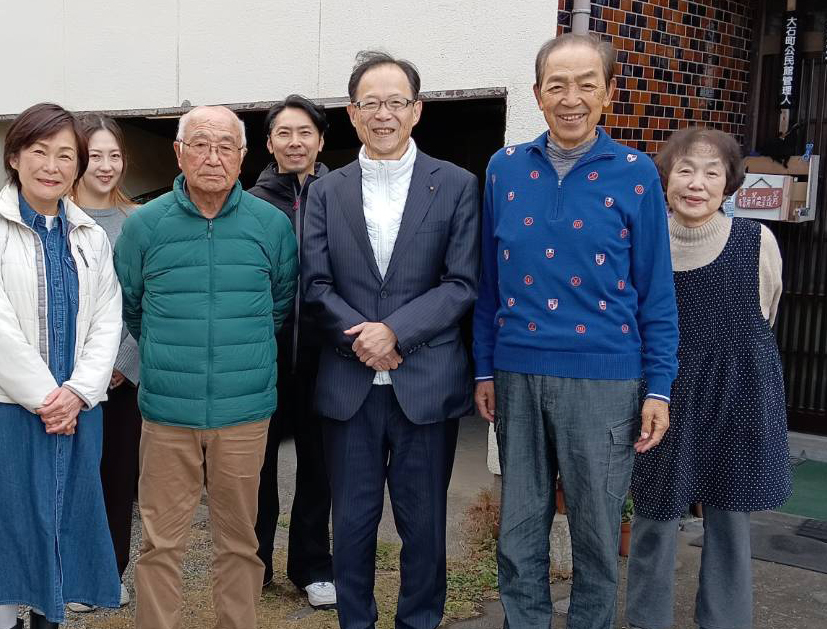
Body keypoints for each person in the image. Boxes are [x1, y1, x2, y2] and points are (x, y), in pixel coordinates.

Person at [472, 33, 679, 629]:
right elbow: (490, 281)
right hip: (516, 374)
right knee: (519, 528)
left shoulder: (636, 173)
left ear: (609, 94)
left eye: (587, 84)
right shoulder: (504, 168)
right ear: (537, 95)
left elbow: (655, 294)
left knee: (595, 532)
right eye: (556, 85)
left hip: (606, 379)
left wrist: (659, 388)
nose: (571, 97)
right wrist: (484, 367)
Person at [301, 51, 480, 629]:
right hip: (348, 384)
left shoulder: (455, 184)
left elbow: (461, 282)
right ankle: (355, 620)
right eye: (370, 103)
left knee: (423, 524)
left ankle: (419, 621)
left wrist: (395, 331)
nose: (384, 114)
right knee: (350, 523)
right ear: (353, 114)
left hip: (425, 382)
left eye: (395, 102)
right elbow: (317, 283)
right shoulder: (327, 192)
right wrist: (366, 340)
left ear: (417, 110)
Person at [0, 103, 123, 629]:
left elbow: (108, 318)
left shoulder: (89, 236)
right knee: (2, 518)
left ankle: (50, 617)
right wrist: (47, 397)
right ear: (14, 156)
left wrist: (79, 392)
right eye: (39, 151)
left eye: (66, 155)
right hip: (3, 404)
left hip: (77, 406)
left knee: (62, 515)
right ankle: (4, 623)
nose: (52, 165)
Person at [113, 105, 297, 629]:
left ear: (243, 156)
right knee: (160, 540)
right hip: (168, 413)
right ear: (179, 152)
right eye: (199, 144)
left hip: (244, 412)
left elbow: (279, 305)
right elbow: (133, 307)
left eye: (224, 146)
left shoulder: (272, 225)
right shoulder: (145, 226)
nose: (211, 157)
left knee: (240, 541)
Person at [626, 127, 791, 629]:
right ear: (666, 179)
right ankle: (645, 619)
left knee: (730, 518)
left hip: (739, 392)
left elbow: (767, 311)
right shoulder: (643, 242)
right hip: (663, 396)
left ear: (729, 184)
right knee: (654, 516)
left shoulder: (756, 241)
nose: (696, 184)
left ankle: (725, 620)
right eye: (685, 170)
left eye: (711, 173)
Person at [246, 94, 335, 608]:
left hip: (325, 359)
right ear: (269, 143)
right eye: (284, 133)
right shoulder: (251, 203)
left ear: (320, 140)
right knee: (256, 468)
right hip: (265, 359)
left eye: (305, 132)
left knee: (319, 468)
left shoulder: (343, 195)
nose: (295, 141)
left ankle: (312, 566)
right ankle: (254, 563)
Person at [66, 113, 140, 612]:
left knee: (116, 478)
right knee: (71, 479)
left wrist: (121, 363)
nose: (106, 165)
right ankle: (70, 572)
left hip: (121, 381)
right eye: (96, 155)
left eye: (115, 155)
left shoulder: (139, 222)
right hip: (65, 380)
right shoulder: (54, 216)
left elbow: (149, 301)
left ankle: (110, 573)